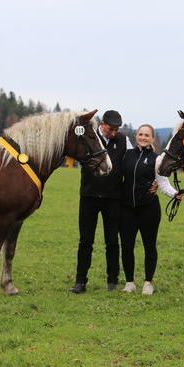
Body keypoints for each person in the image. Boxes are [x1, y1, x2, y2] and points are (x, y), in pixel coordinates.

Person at [70, 110, 133, 293]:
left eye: (116, 130)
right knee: (85, 241)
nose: (114, 133)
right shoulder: (90, 138)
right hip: (89, 196)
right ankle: (80, 281)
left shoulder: (123, 141)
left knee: (112, 241)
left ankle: (112, 281)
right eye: (111, 129)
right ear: (102, 124)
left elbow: (130, 165)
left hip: (113, 198)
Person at [119, 124, 184, 295]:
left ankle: (148, 283)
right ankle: (129, 282)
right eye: (140, 134)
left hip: (148, 209)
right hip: (126, 208)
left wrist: (174, 194)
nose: (143, 137)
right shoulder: (127, 155)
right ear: (136, 137)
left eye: (147, 135)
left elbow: (162, 183)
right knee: (126, 246)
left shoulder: (157, 159)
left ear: (152, 139)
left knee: (149, 246)